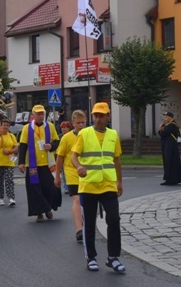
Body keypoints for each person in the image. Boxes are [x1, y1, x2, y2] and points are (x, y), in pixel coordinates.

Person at [71, 102, 125, 273]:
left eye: (102, 115)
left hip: (108, 184)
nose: (98, 118)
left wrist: (120, 182)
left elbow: (116, 160)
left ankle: (113, 258)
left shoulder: (113, 135)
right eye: (96, 115)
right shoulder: (84, 133)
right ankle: (91, 257)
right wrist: (78, 166)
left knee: (114, 219)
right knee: (89, 223)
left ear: (108, 116)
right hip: (89, 186)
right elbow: (74, 156)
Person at [18, 104, 61, 222]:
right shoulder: (27, 128)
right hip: (32, 165)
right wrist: (21, 162)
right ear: (33, 115)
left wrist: (51, 146)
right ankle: (39, 213)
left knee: (50, 188)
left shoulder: (50, 126)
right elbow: (23, 145)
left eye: (42, 113)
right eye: (38, 114)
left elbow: (57, 141)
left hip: (48, 164)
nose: (41, 116)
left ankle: (48, 208)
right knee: (35, 190)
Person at [54, 111, 86, 242]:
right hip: (72, 173)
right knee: (77, 200)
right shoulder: (66, 138)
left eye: (83, 122)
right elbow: (59, 158)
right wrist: (57, 176)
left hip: (87, 173)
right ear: (73, 123)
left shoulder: (89, 135)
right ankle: (79, 229)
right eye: (78, 123)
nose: (81, 125)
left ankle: (86, 225)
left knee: (87, 202)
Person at [0, 117, 18, 207]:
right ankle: (0, 197)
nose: (6, 127)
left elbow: (16, 147)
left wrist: (10, 151)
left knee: (9, 180)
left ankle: (11, 198)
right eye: (4, 125)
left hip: (9, 162)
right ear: (0, 126)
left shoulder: (11, 136)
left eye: (7, 125)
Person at [158, 111, 181, 186]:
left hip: (170, 147)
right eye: (164, 117)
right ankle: (173, 179)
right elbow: (162, 134)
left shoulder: (172, 125)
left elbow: (163, 134)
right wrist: (162, 129)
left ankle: (170, 179)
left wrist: (161, 128)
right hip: (169, 146)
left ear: (170, 117)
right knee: (172, 162)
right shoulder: (169, 125)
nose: (165, 118)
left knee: (169, 161)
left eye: (166, 117)